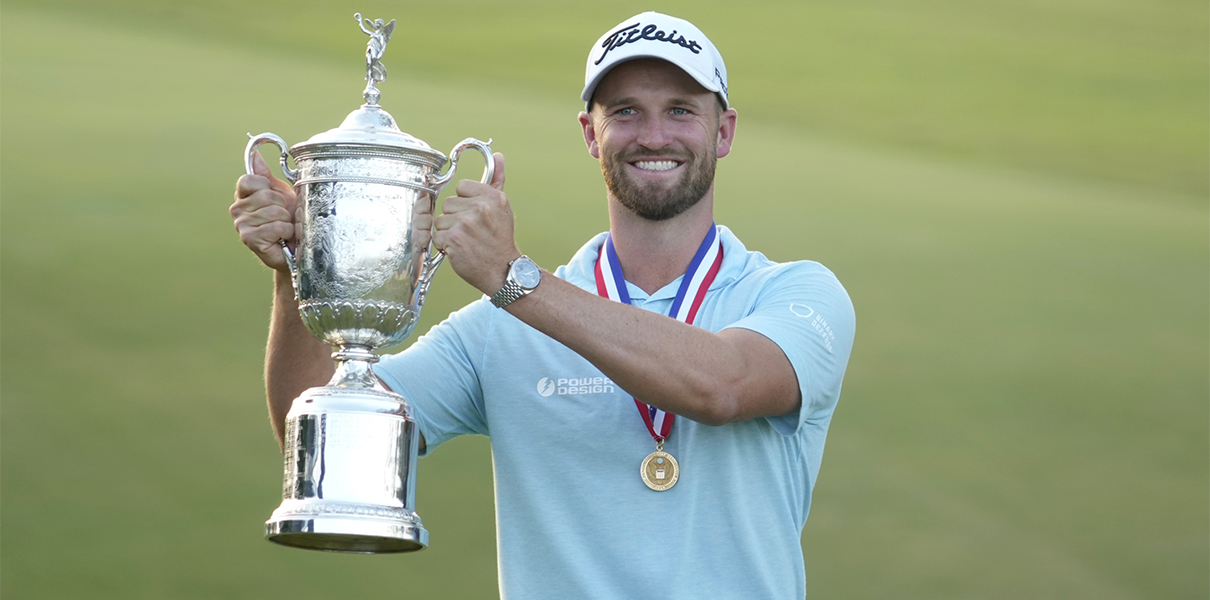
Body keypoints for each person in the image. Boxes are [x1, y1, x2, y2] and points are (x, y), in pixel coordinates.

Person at [231, 11, 854, 599]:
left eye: (681, 110)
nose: (654, 135)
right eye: (627, 111)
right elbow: (312, 430)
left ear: (724, 132)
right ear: (592, 133)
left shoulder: (797, 295)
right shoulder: (498, 328)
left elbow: (722, 385)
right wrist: (302, 270)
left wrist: (512, 277)